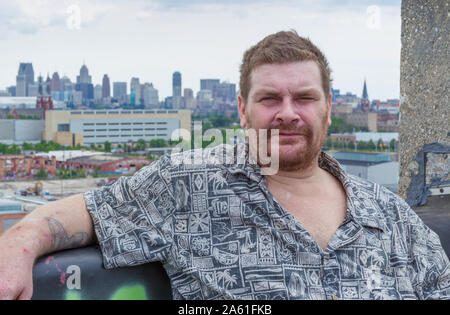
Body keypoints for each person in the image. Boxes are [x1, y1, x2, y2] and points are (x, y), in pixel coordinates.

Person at [0, 30, 449, 300]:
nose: (288, 113)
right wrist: (18, 245)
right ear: (241, 109)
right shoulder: (189, 185)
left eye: (305, 98)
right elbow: (87, 210)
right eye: (270, 98)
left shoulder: (390, 216)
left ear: (329, 108)